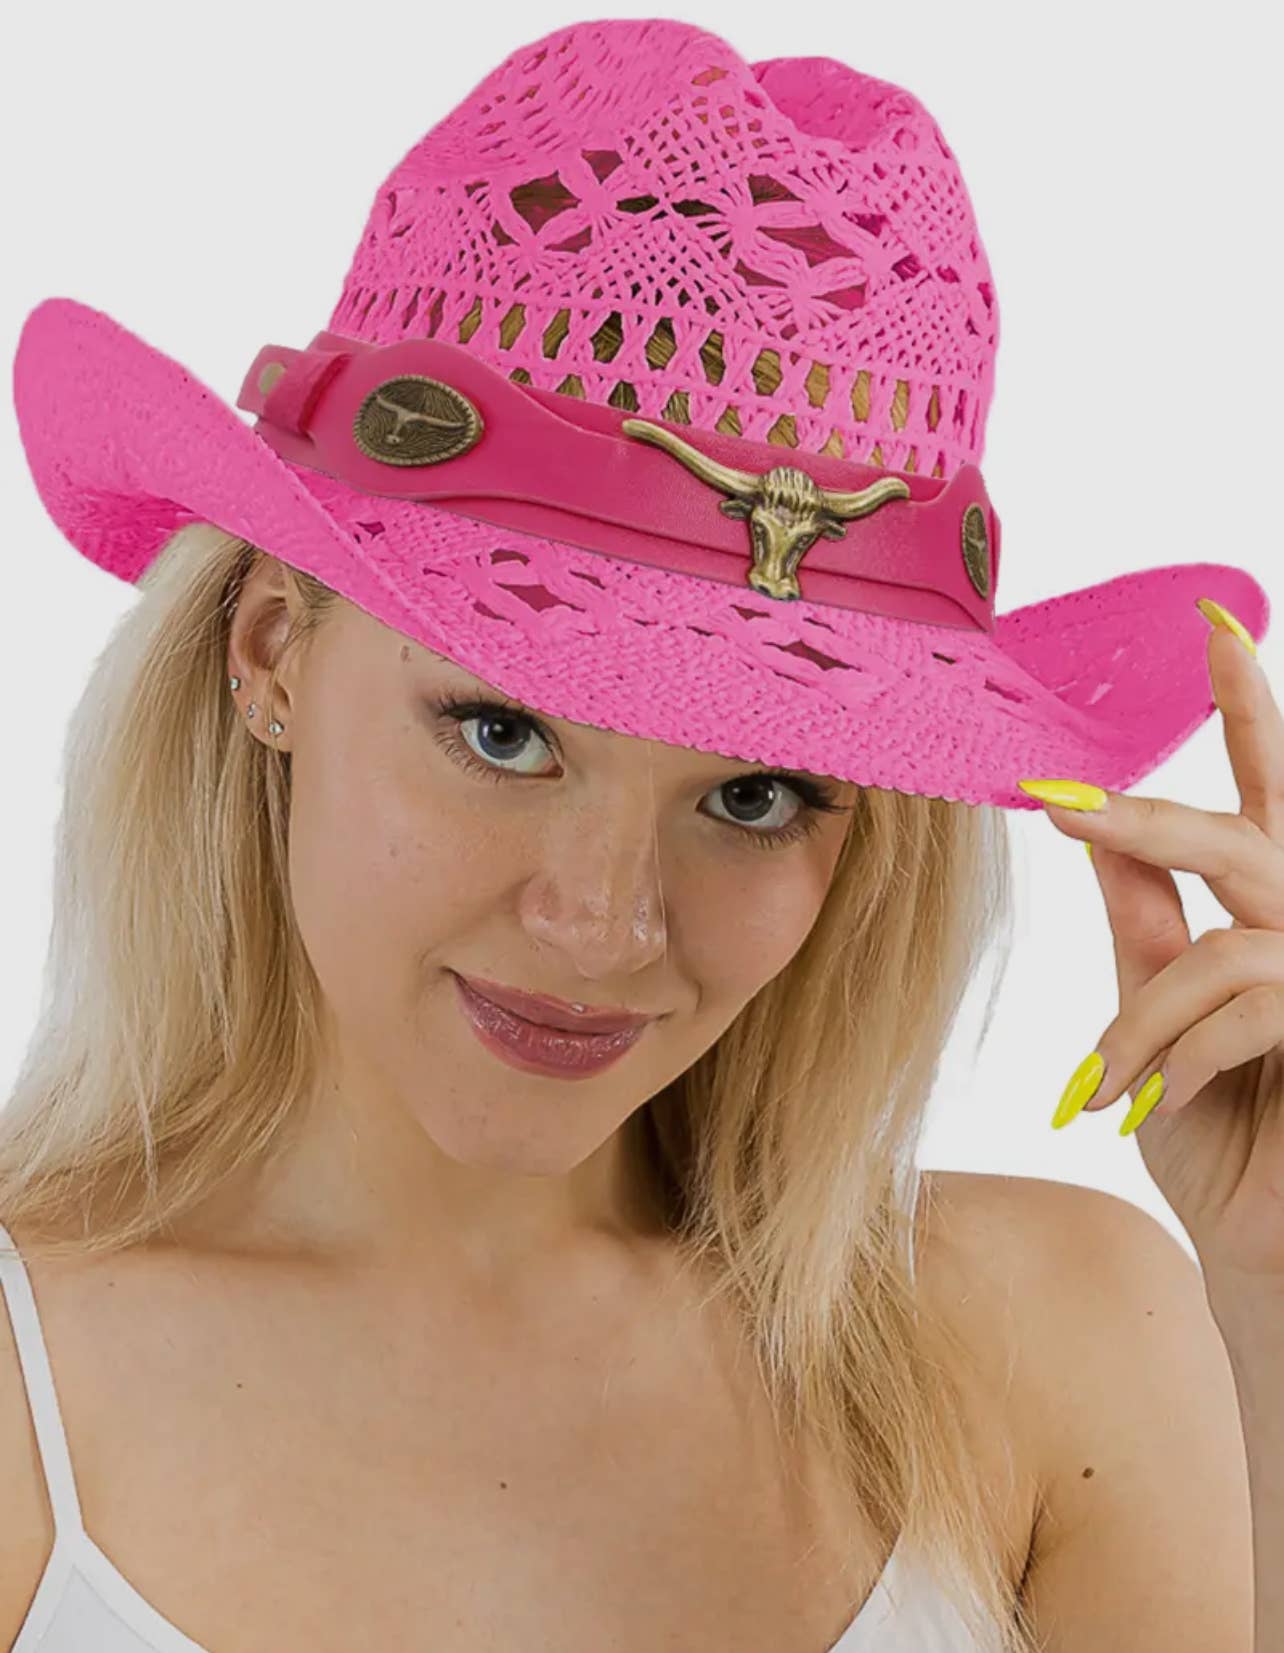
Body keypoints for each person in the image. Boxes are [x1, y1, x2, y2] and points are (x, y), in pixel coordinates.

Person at [0, 16, 1266, 1653]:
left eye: (753, 794)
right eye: (503, 732)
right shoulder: (30, 1394)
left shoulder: (1056, 1349)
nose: (605, 925)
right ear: (270, 655)